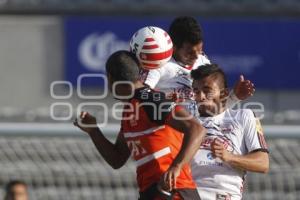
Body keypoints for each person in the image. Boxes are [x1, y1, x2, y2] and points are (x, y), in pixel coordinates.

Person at [74, 50, 206, 200]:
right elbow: (117, 159)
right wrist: (94, 131)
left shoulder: (150, 99)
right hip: (152, 193)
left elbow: (196, 129)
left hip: (175, 192)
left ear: (110, 78)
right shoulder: (130, 109)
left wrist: (176, 167)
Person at [190, 64, 269, 200]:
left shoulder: (243, 116)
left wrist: (229, 156)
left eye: (207, 90)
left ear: (224, 93)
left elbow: (263, 164)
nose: (201, 97)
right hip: (187, 194)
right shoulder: (186, 121)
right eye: (196, 91)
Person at [140, 16, 254, 106]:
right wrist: (164, 100)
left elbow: (213, 111)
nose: (196, 56)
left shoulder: (203, 61)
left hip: (200, 129)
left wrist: (235, 97)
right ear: (173, 46)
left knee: (248, 115)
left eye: (200, 50)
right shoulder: (159, 64)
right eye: (190, 52)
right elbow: (140, 96)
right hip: (170, 129)